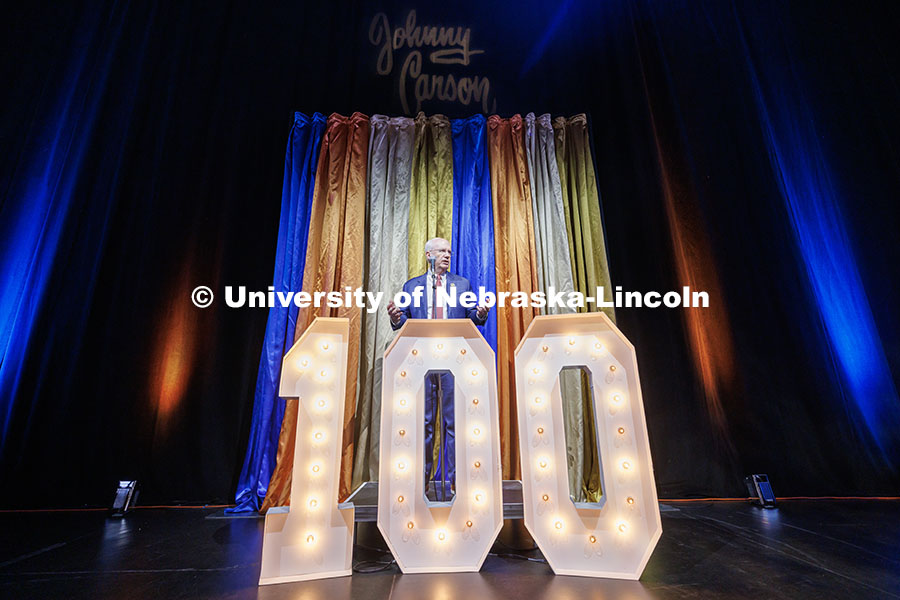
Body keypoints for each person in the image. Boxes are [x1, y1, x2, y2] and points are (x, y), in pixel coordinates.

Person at [386, 237, 489, 499]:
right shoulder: (412, 286)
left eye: (449, 251)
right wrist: (396, 317)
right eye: (442, 251)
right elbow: (403, 321)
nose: (447, 255)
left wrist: (482, 312)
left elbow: (473, 318)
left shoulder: (462, 284)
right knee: (425, 423)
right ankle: (421, 484)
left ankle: (455, 483)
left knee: (454, 423)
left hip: (454, 363)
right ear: (428, 254)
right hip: (422, 363)